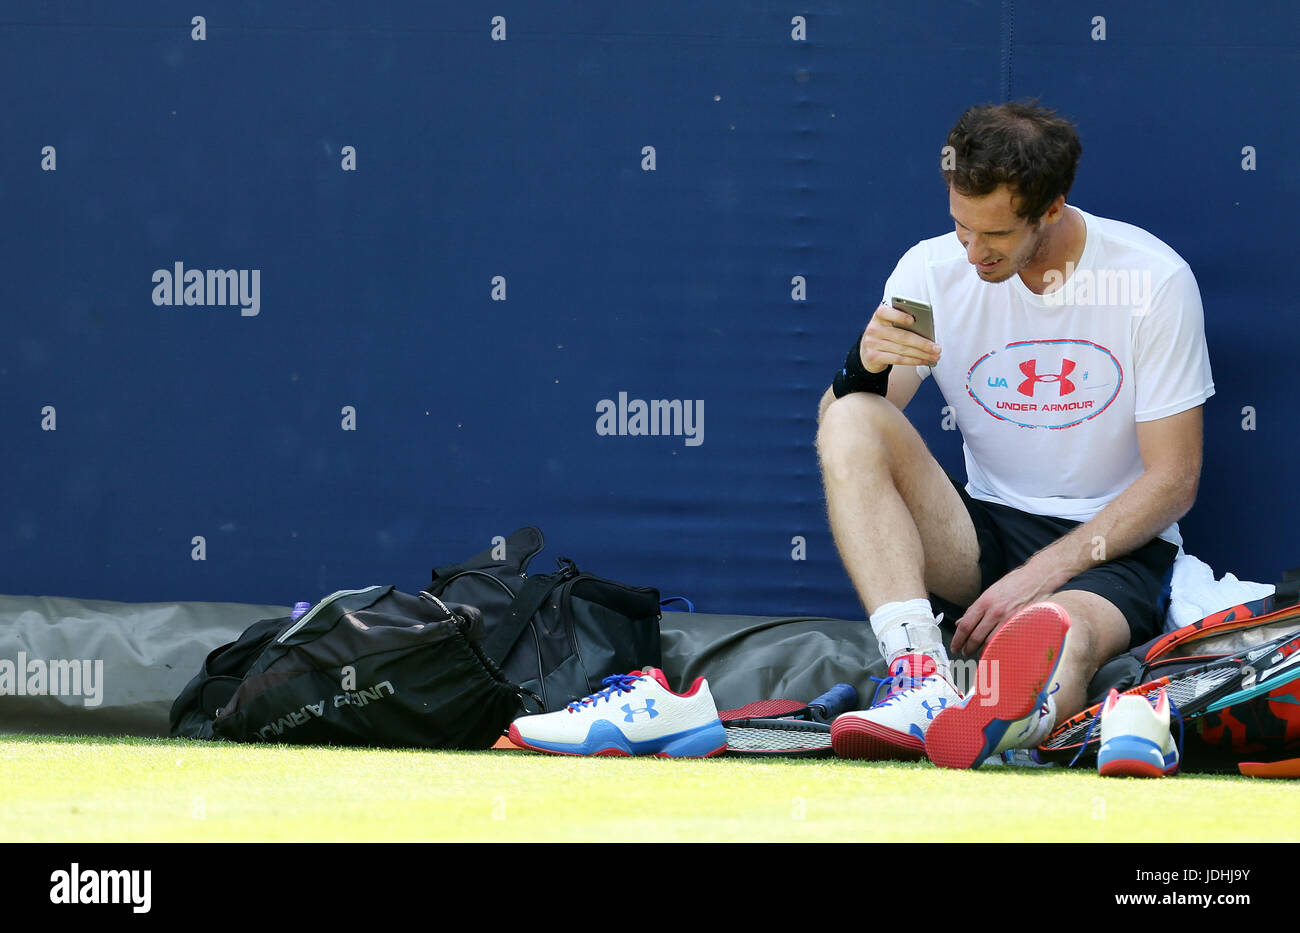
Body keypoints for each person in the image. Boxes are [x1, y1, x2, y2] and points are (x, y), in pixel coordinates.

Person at [816, 101, 1214, 768]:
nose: (971, 252)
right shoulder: (930, 270)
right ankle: (921, 679)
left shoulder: (1152, 279)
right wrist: (864, 361)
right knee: (852, 414)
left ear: (1051, 209)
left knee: (1059, 628)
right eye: (959, 227)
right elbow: (848, 425)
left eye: (993, 235)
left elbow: (1174, 479)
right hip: (982, 536)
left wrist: (1046, 571)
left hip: (1109, 549)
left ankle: (1018, 718)